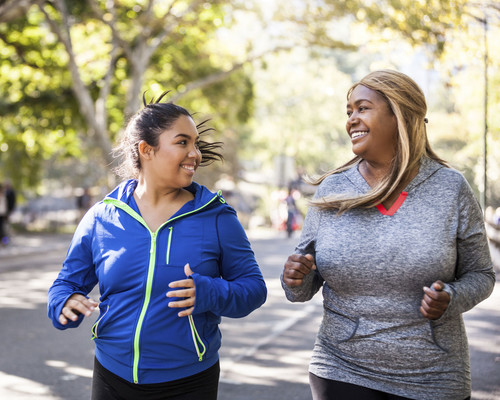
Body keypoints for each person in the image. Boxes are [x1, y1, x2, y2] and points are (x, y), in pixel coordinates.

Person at [281, 70, 495, 400]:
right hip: (341, 369)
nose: (352, 119)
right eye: (348, 111)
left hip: (434, 376)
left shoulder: (450, 188)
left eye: (362, 108)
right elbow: (302, 289)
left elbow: (481, 275)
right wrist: (295, 279)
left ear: (400, 115)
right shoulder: (333, 189)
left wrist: (451, 298)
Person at [48, 92, 267, 400]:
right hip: (111, 375)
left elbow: (254, 289)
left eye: (195, 143)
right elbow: (66, 283)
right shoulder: (102, 217)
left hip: (188, 381)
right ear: (146, 150)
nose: (196, 153)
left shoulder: (217, 217)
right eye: (182, 142)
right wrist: (64, 302)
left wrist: (210, 293)